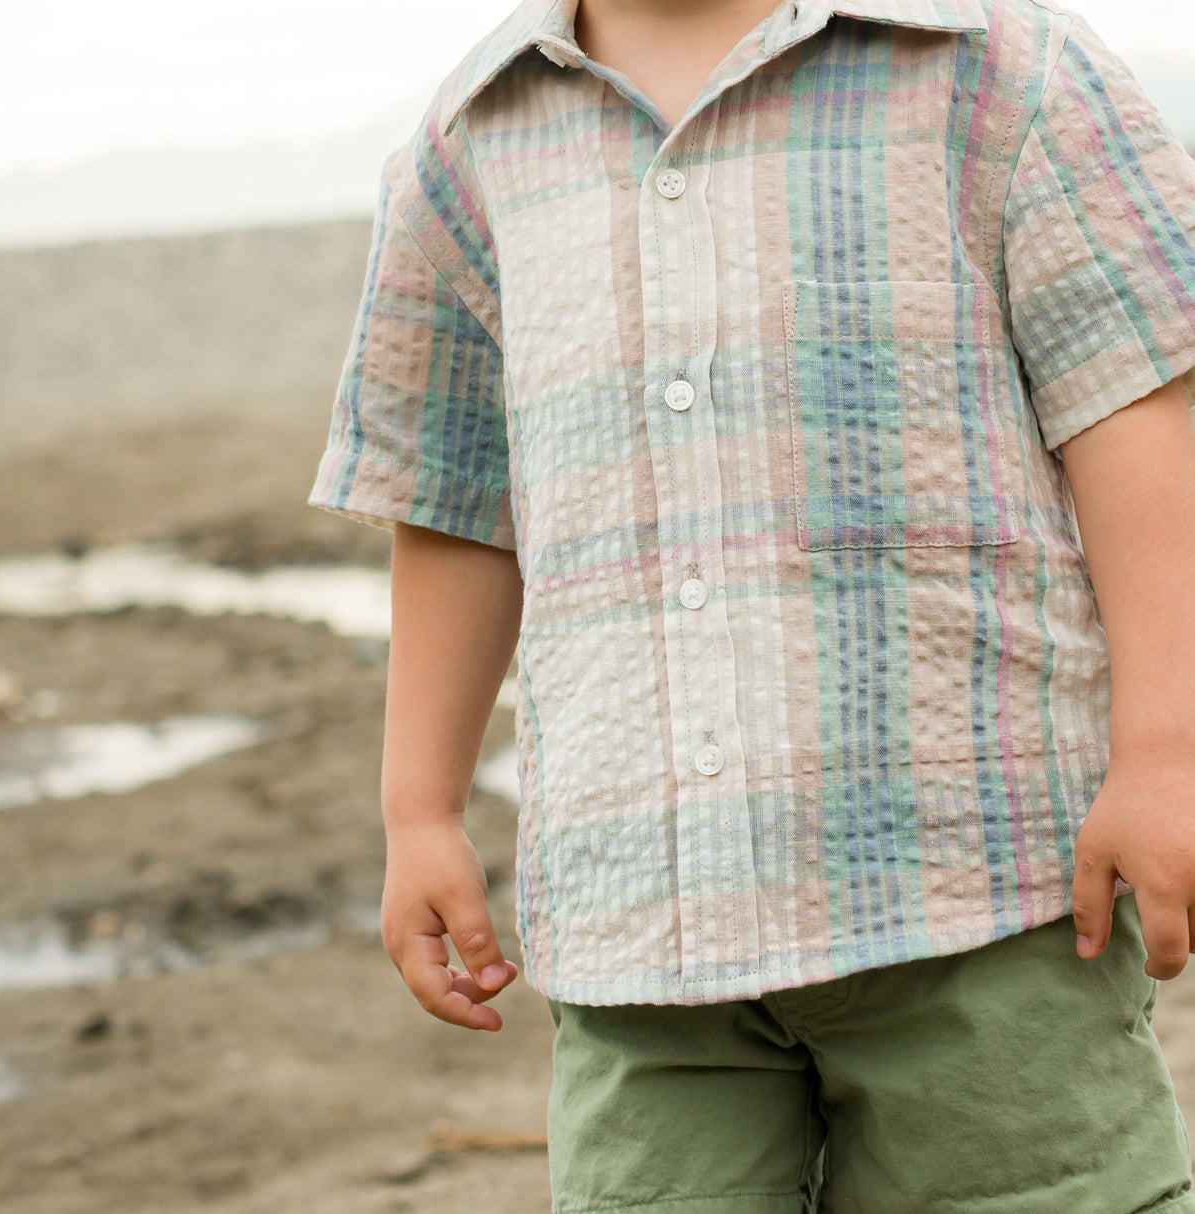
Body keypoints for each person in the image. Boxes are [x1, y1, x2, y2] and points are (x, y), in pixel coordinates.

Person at [309, 0, 1195, 1207]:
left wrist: (1163, 749)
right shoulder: (473, 140)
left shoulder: (997, 70)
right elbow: (456, 496)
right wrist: (418, 810)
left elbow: (1132, 404)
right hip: (641, 934)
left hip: (980, 890)